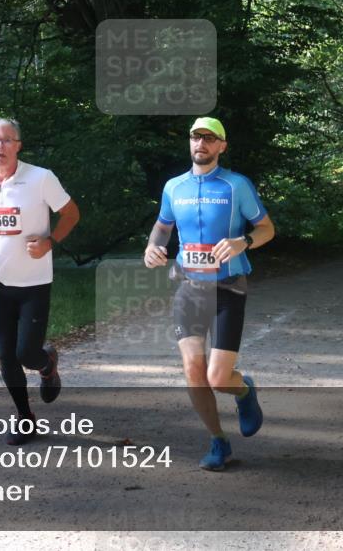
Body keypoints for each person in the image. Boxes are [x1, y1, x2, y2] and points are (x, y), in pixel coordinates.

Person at [143, 117, 275, 471]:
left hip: (228, 288)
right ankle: (218, 440)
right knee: (193, 368)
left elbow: (267, 228)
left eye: (209, 138)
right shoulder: (174, 187)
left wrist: (244, 241)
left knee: (218, 378)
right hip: (189, 289)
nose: (200, 143)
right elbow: (162, 226)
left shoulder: (236, 185)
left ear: (221, 146)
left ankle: (243, 390)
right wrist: (153, 246)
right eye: (195, 137)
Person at [0, 117, 80, 445]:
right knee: (6, 356)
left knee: (27, 353)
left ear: (18, 145)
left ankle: (47, 363)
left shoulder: (41, 178)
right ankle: (25, 418)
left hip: (34, 283)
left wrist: (49, 242)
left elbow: (71, 213)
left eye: (6, 140)